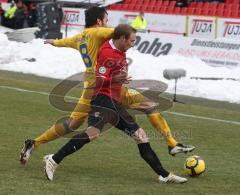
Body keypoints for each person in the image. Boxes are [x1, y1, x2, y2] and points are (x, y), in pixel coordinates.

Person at [20, 6, 194, 165]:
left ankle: (35, 143)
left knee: (72, 125)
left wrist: (54, 42)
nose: (108, 23)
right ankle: (172, 144)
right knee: (149, 106)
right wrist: (128, 36)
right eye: (106, 19)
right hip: (106, 86)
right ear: (99, 21)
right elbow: (119, 33)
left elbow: (63, 42)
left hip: (90, 87)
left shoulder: (79, 37)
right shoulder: (99, 33)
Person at [44, 24, 187, 183]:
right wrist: (116, 79)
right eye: (131, 41)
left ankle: (164, 175)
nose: (134, 44)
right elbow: (98, 82)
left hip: (114, 102)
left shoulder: (122, 51)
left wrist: (120, 78)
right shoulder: (107, 53)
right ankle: (54, 160)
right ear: (122, 39)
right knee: (93, 133)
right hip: (102, 99)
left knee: (140, 136)